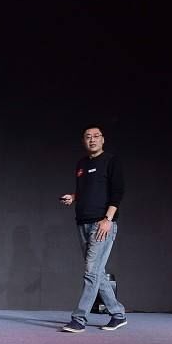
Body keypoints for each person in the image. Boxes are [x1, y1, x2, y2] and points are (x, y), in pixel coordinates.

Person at [59, 126, 127, 332]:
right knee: (97, 272)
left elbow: (117, 192)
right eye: (88, 137)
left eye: (96, 136)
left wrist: (108, 219)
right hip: (82, 222)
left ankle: (79, 318)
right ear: (84, 141)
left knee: (90, 272)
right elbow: (85, 190)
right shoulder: (81, 164)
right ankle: (118, 314)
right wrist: (73, 197)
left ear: (103, 139)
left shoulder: (111, 161)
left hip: (101, 224)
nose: (92, 139)